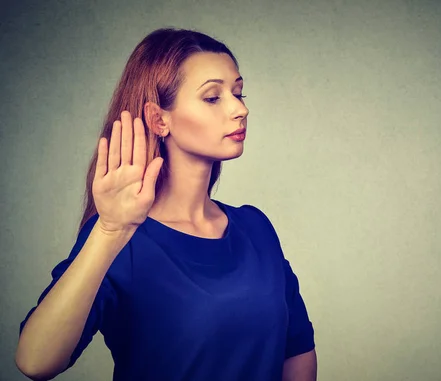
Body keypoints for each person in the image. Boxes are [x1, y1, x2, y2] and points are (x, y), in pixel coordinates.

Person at [15, 28, 317, 381]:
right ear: (160, 119)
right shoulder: (120, 239)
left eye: (238, 92)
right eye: (212, 97)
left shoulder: (256, 228)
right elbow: (35, 362)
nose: (241, 109)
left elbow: (297, 352)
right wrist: (111, 230)